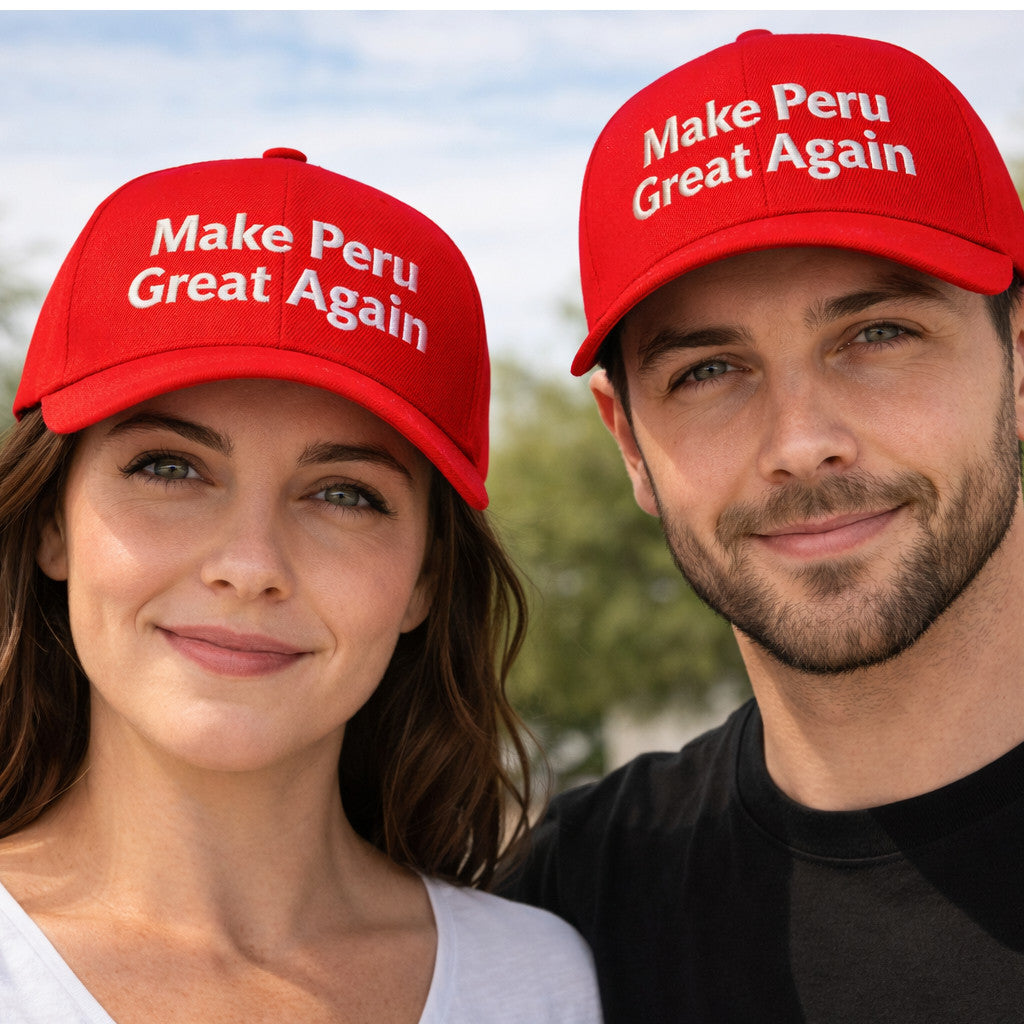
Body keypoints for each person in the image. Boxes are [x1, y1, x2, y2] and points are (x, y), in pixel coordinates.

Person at [0, 148, 602, 1023]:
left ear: (426, 577)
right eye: (170, 468)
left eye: (344, 494)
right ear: (55, 522)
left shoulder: (543, 981)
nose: (250, 565)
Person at [503, 29, 1024, 1023]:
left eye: (877, 334)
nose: (800, 442)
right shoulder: (564, 914)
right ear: (628, 446)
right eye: (706, 371)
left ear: (1020, 359)